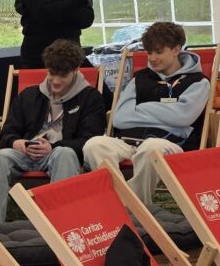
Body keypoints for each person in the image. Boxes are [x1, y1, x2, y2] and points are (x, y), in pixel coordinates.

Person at [0, 39, 106, 226]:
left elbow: (90, 140)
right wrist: (17, 143)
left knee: (64, 153)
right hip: (26, 153)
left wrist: (52, 147)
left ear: (76, 70)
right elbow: (7, 132)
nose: (56, 81)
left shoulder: (90, 98)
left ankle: (61, 226)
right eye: (52, 73)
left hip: (60, 153)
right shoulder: (29, 95)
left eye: (63, 75)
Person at [82, 21, 210, 207]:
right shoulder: (140, 78)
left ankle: (132, 206)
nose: (152, 58)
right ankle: (123, 201)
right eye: (149, 52)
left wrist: (141, 108)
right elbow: (120, 118)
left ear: (176, 49)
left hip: (171, 144)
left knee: (151, 147)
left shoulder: (197, 82)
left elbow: (183, 117)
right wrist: (167, 112)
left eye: (158, 52)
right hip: (128, 141)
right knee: (94, 145)